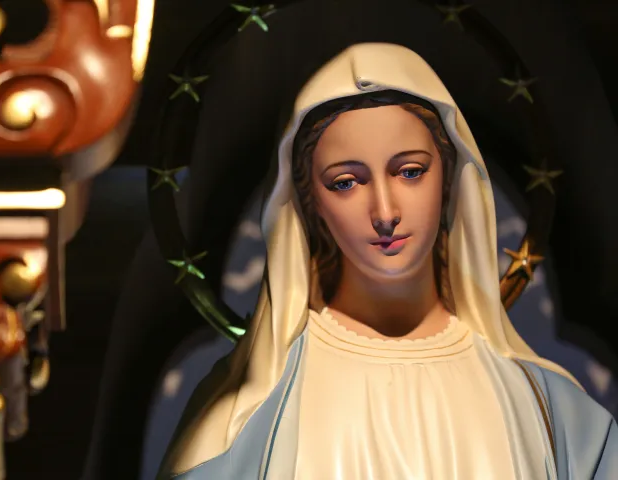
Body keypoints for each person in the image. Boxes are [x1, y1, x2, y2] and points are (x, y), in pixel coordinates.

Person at [158, 43, 617, 479]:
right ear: (309, 202)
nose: (384, 212)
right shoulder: (244, 419)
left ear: (449, 178)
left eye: (410, 172)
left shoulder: (548, 408)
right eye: (345, 182)